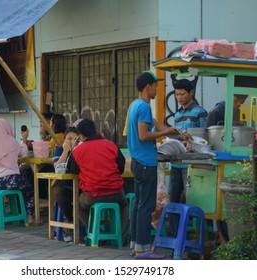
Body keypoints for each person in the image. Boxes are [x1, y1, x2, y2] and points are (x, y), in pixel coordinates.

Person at [127, 70, 182, 259]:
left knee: (138, 206)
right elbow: (144, 135)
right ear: (148, 87)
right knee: (146, 207)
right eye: (155, 86)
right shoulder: (144, 107)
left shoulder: (135, 105)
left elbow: (158, 126)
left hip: (138, 162)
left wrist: (177, 133)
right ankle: (143, 249)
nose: (157, 89)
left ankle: (135, 245)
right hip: (145, 163)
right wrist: (161, 135)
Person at [66, 119, 129, 244]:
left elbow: (71, 170)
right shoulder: (111, 146)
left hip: (92, 194)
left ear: (81, 136)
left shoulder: (78, 151)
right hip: (115, 192)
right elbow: (121, 168)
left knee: (78, 206)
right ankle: (122, 237)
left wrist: (72, 149)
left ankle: (96, 232)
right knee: (124, 205)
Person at [0, 118, 35, 223]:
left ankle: (17, 213)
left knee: (20, 187)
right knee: (28, 189)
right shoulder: (11, 142)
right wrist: (24, 139)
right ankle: (29, 216)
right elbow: (23, 153)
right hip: (11, 179)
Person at [169, 79, 207, 203]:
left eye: (182, 94)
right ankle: (175, 223)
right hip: (176, 162)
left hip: (191, 163)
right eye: (177, 94)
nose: (179, 97)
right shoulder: (177, 115)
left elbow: (204, 139)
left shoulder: (200, 112)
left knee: (191, 198)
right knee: (172, 199)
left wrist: (191, 142)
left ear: (191, 93)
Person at [52, 127, 80, 241]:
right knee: (58, 192)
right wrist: (66, 151)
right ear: (64, 140)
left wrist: (75, 149)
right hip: (65, 185)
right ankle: (71, 220)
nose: (71, 141)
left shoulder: (81, 150)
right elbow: (57, 167)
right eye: (68, 139)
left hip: (80, 185)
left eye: (74, 139)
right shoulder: (59, 150)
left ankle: (81, 226)